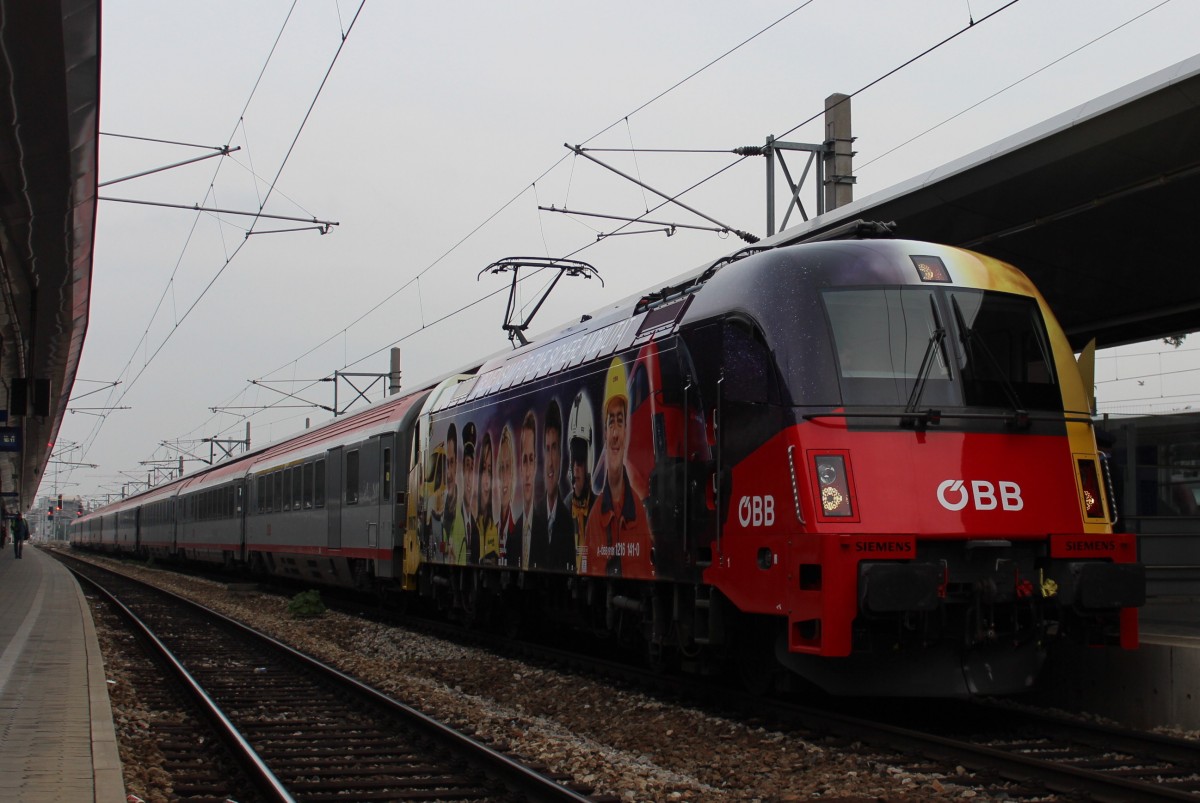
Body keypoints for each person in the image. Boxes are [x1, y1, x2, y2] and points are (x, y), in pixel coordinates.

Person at [584, 357, 653, 578]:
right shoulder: (594, 520)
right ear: (604, 431)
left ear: (626, 431)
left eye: (620, 421)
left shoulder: (639, 514)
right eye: (610, 422)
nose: (615, 434)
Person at [531, 399, 576, 572]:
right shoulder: (533, 518)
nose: (550, 462)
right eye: (547, 448)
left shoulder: (568, 521)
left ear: (561, 454)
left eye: (554, 448)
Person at [567, 390, 596, 572]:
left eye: (581, 459)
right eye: (574, 460)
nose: (577, 467)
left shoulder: (600, 508)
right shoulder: (564, 511)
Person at [515, 410, 538, 570]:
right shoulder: (513, 533)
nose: (528, 472)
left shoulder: (546, 527)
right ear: (520, 467)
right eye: (524, 460)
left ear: (536, 464)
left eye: (531, 459)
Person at [496, 424, 520, 567]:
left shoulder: (517, 529)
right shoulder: (493, 530)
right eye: (501, 468)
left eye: (508, 468)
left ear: (513, 474)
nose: (504, 477)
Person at [477, 432, 500, 564]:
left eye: (490, 471)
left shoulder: (495, 529)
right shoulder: (473, 525)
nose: (486, 480)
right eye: (484, 469)